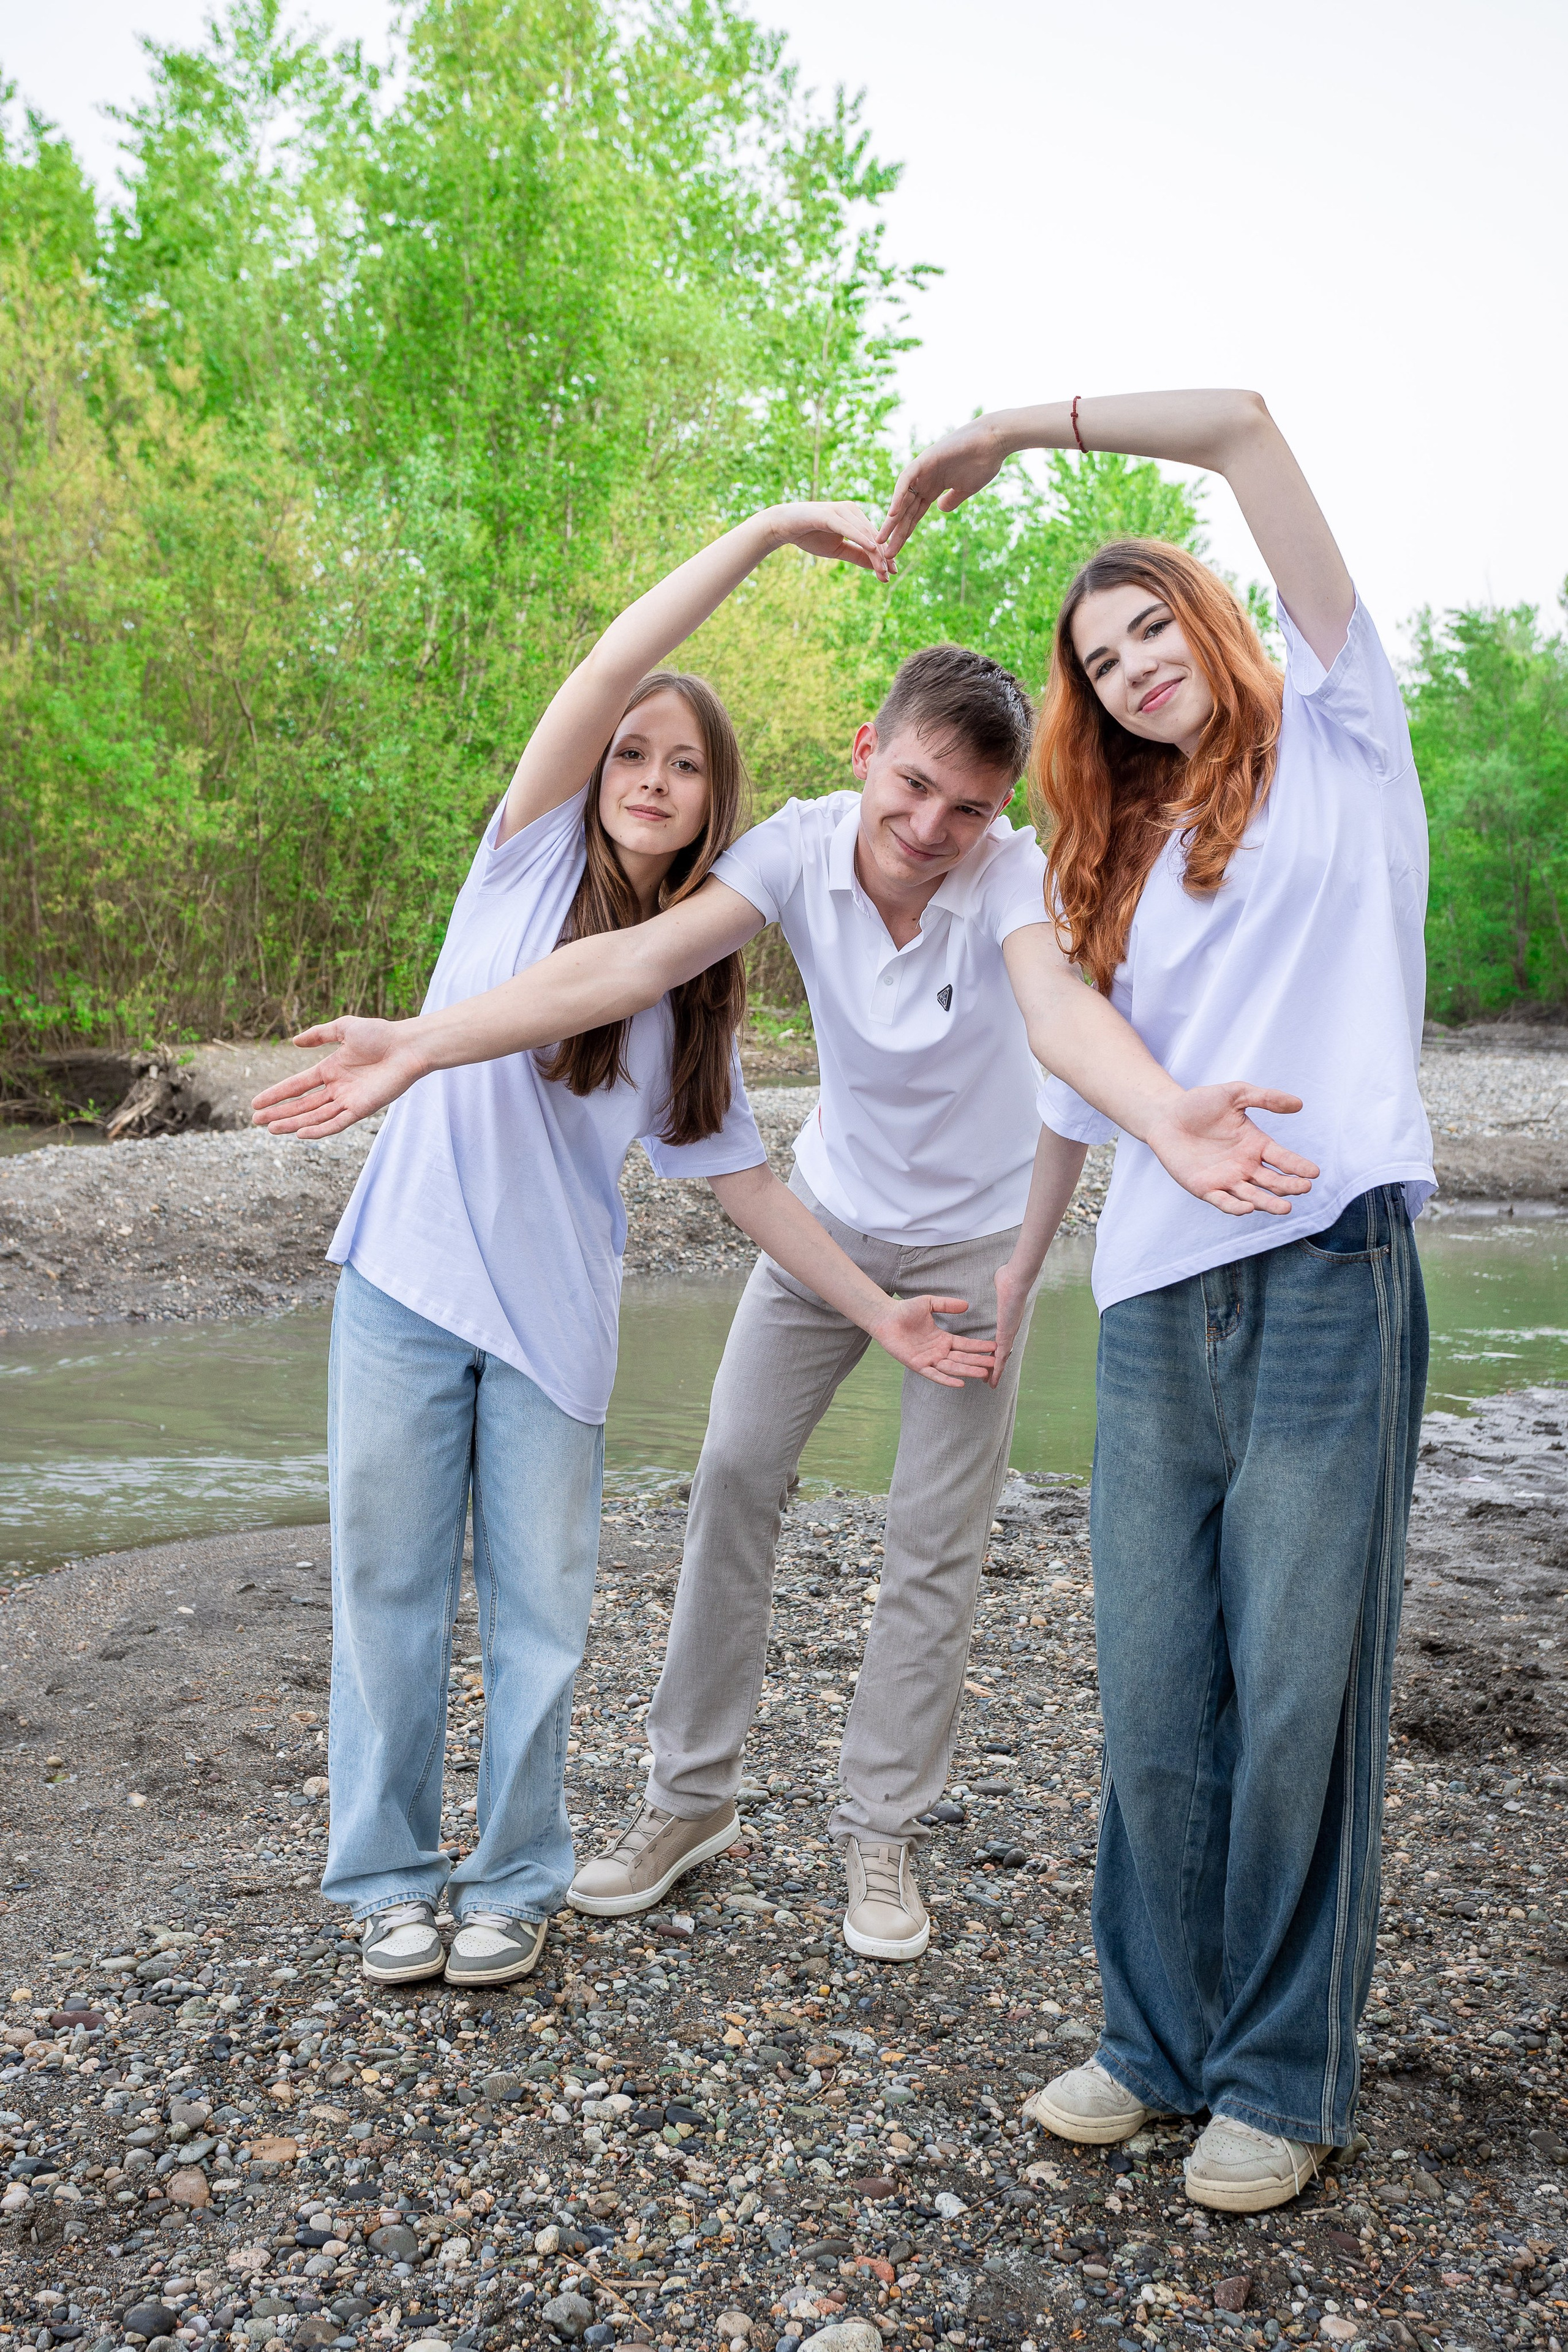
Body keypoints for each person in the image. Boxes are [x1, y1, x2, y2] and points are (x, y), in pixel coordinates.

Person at [255, 548, 1316, 1973]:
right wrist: (419, 1039)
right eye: (912, 788)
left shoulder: (1004, 879)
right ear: (865, 753)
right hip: (816, 1224)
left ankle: (876, 1833)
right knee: (732, 1476)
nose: (930, 825)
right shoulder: (774, 850)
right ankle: (682, 1805)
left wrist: (1130, 1146)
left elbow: (1059, 1027)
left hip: (971, 1245)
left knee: (931, 1541)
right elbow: (631, 962)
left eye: (967, 806)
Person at [304, 497, 1020, 1993]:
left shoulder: (693, 989)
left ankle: (510, 1879)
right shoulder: (516, 862)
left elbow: (752, 1190)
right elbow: (619, 659)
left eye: (683, 764)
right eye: (631, 754)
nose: (649, 776)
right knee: (387, 1589)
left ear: (715, 804)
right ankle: (384, 1879)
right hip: (406, 1285)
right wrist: (761, 536)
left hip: (557, 1324)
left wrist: (885, 1316)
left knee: (540, 1618)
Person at [880, 388, 1432, 2211]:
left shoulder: (1350, 732)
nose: (1130, 672)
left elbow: (1256, 430)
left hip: (1333, 1269)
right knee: (1154, 1693)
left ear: (1214, 624)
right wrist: (1030, 1274)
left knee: (1296, 1694)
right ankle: (1151, 2040)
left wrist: (1008, 433)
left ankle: (1280, 2074)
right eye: (1098, 662)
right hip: (1153, 1304)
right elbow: (1065, 1046)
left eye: (1149, 632)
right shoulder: (1087, 855)